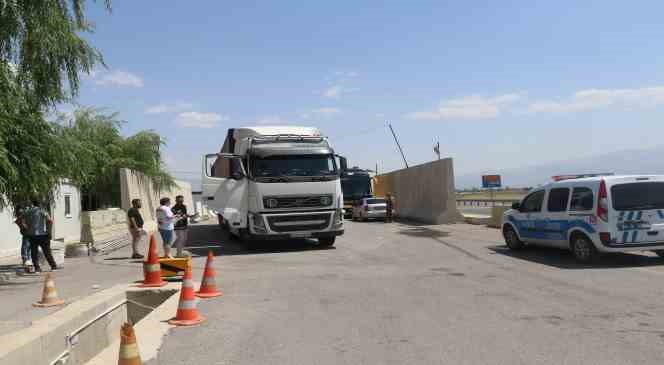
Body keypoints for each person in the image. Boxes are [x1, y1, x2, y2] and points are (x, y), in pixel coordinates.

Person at [24, 199, 59, 272]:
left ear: (32, 203)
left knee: (34, 252)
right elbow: (49, 221)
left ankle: (37, 268)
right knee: (47, 252)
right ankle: (53, 266)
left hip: (32, 235)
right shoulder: (42, 210)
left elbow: (25, 223)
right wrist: (49, 232)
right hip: (43, 235)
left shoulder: (28, 212)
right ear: (39, 204)